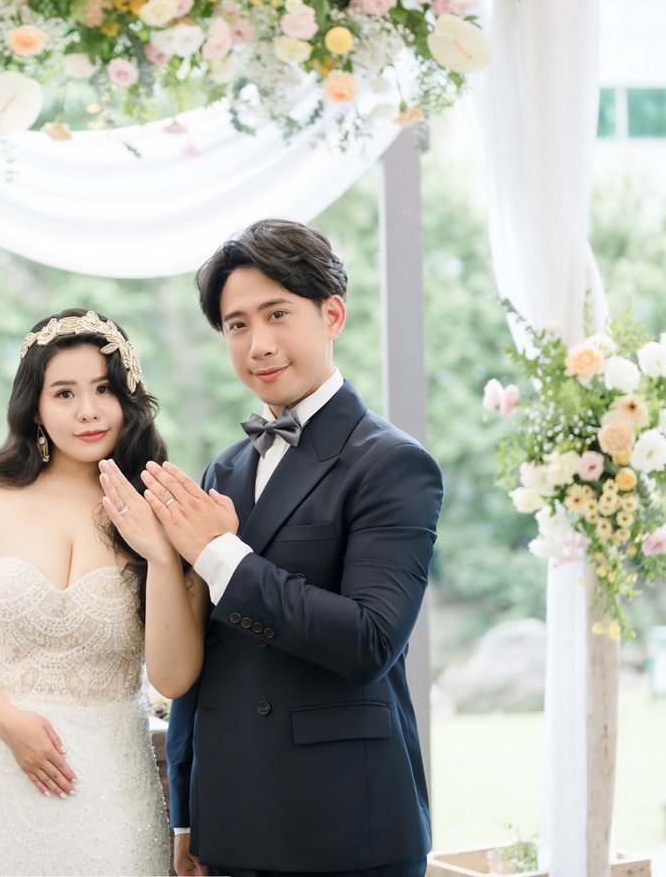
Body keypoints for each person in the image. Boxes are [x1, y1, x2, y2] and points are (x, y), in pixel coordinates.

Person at [145, 219, 443, 877]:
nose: (259, 344)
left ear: (331, 315)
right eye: (237, 325)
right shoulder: (225, 469)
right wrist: (188, 813)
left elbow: (369, 640)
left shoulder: (393, 464)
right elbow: (204, 662)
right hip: (231, 825)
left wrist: (221, 555)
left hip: (344, 826)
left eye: (277, 314)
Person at [0, 308, 206, 876]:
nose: (87, 410)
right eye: (64, 393)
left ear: (129, 398)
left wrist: (162, 555)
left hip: (116, 794)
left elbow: (172, 680)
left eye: (103, 389)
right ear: (35, 406)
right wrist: (9, 723)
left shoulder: (164, 503)